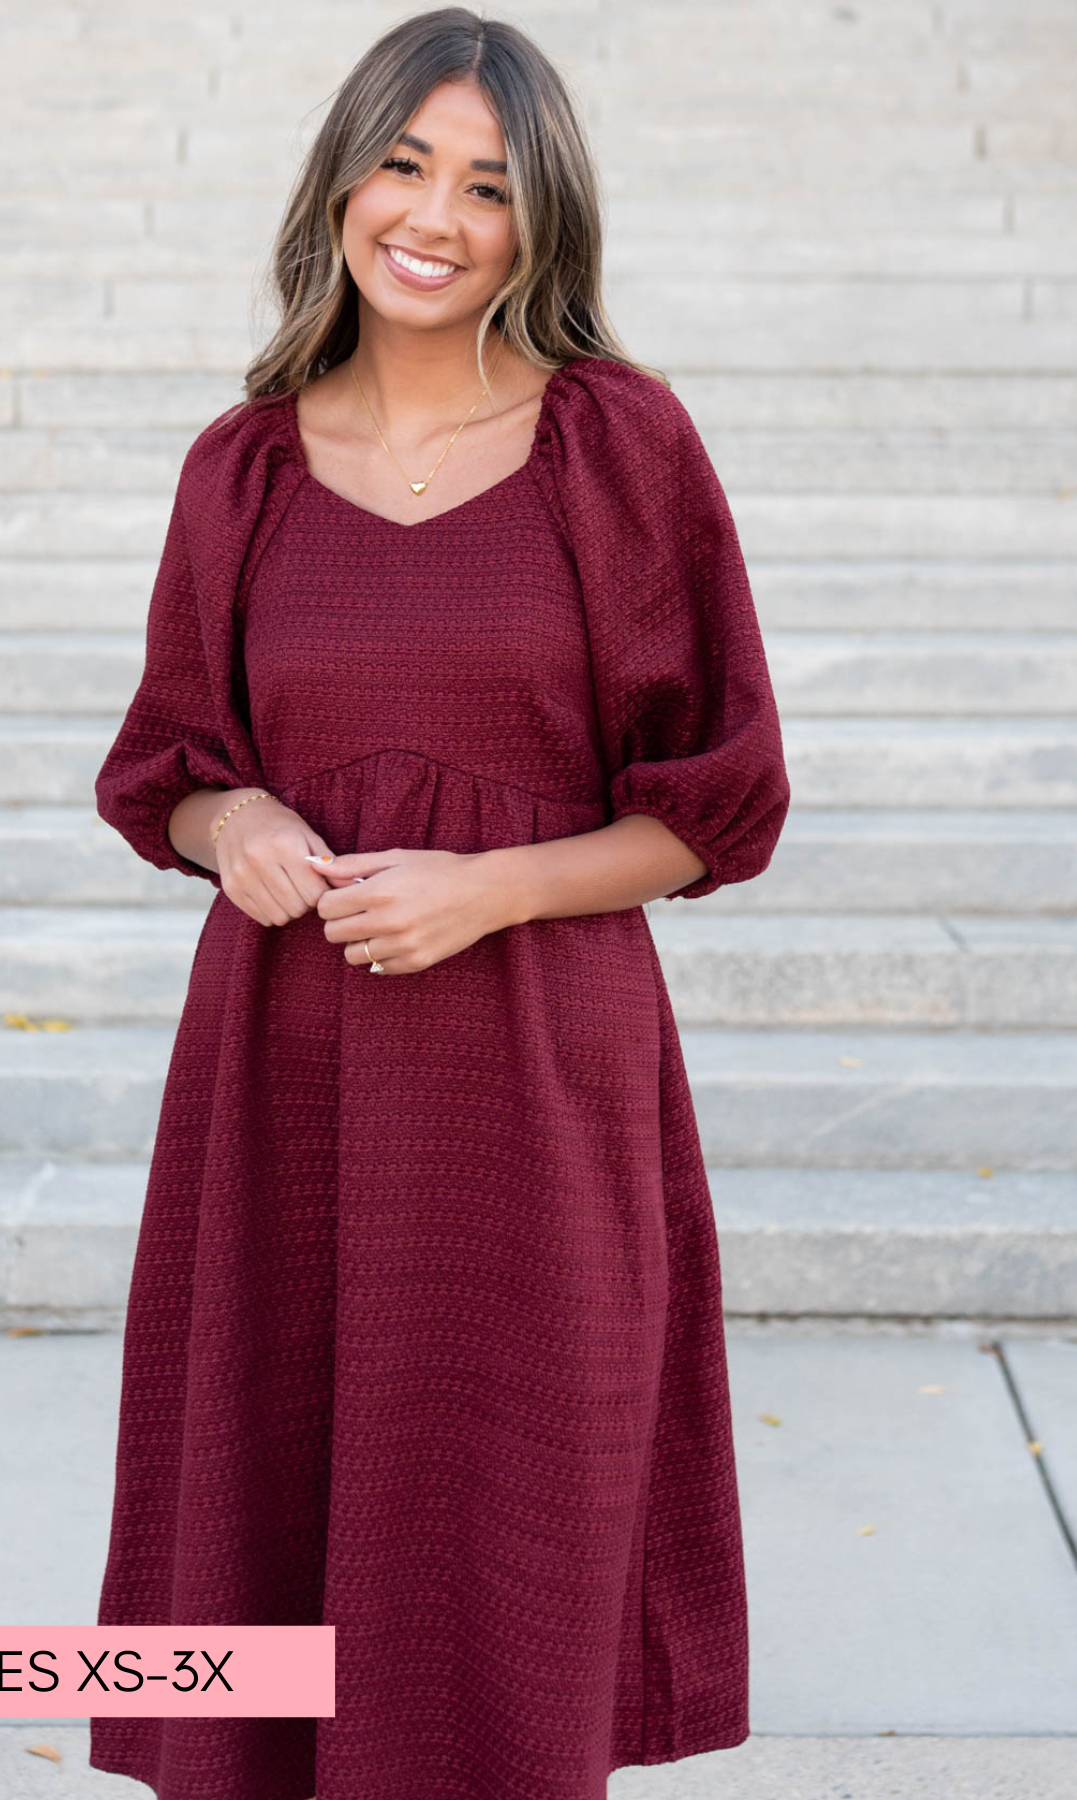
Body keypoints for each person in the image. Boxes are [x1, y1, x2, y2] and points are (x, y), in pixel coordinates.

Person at [88, 9, 790, 1799]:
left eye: (488, 185)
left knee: (500, 1524)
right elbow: (165, 763)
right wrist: (229, 818)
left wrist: (491, 889)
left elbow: (720, 803)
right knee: (268, 1493)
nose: (435, 215)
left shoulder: (614, 444)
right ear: (340, 178)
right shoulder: (239, 466)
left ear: (540, 225)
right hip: (282, 1082)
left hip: (532, 1079)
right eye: (404, 163)